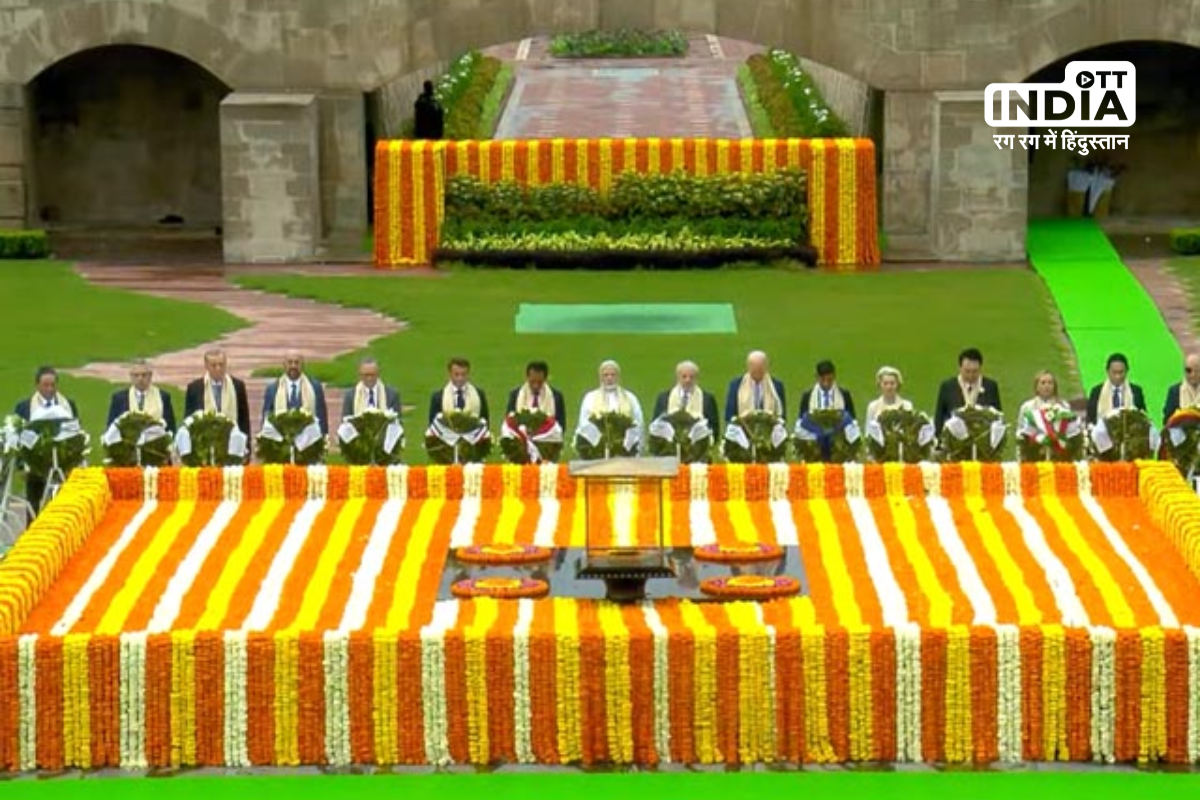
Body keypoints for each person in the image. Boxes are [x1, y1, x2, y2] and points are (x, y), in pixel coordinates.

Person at [14, 367, 80, 515]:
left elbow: (76, 432)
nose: (50, 389)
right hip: (35, 465)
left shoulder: (68, 405)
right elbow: (19, 438)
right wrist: (21, 466)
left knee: (64, 504)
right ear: (37, 385)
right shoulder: (24, 407)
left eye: (53, 385)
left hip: (64, 465)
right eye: (46, 385)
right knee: (34, 504)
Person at [183, 349, 253, 444]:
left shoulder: (238, 386)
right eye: (214, 365)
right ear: (206, 366)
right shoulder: (195, 388)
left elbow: (244, 419)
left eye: (221, 364)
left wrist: (247, 445)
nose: (218, 369)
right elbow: (189, 420)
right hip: (205, 444)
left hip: (232, 443)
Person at [934, 347, 1002, 432]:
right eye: (967, 371)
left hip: (982, 442)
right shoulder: (947, 387)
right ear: (960, 368)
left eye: (975, 371)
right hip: (953, 443)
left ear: (980, 368)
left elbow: (998, 419)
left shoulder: (991, 387)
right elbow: (939, 419)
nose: (971, 375)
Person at [261, 350, 330, 434]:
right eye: (290, 362)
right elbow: (266, 420)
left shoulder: (315, 387)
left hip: (308, 442)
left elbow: (322, 419)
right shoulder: (273, 389)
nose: (293, 366)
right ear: (284, 365)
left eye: (297, 363)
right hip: (281, 442)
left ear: (302, 365)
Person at [652, 360, 721, 436]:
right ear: (678, 377)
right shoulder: (664, 398)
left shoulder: (707, 399)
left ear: (696, 378)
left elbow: (714, 428)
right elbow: (655, 426)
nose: (688, 380)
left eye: (691, 377)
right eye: (684, 376)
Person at [106, 361, 177, 432]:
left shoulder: (163, 397)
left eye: (144, 375)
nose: (140, 379)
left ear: (150, 376)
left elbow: (170, 427)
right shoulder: (119, 398)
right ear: (131, 376)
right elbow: (111, 427)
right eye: (136, 375)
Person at [578, 360, 644, 430]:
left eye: (613, 375)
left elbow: (638, 421)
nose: (609, 378)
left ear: (618, 377)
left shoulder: (630, 398)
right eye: (606, 375)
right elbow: (584, 422)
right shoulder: (590, 398)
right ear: (600, 377)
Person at [724, 350, 787, 421]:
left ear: (766, 366)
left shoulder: (776, 386)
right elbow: (729, 415)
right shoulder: (736, 385)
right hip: (742, 429)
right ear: (748, 367)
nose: (757, 375)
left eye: (760, 370)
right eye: (754, 371)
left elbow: (782, 415)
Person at [506, 360, 567, 430]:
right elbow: (509, 422)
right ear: (527, 377)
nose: (536, 386)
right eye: (532, 381)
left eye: (540, 382)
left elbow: (561, 426)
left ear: (545, 379)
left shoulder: (556, 396)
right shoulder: (515, 395)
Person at [1086, 352, 1146, 422]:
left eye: (1121, 372)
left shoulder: (1136, 391)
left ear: (1127, 371)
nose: (1118, 376)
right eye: (1114, 372)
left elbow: (1143, 417)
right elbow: (1091, 418)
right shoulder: (1097, 391)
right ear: (1107, 371)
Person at [428, 356, 489, 424]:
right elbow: (433, 425)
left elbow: (484, 423)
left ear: (468, 374)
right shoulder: (438, 397)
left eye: (463, 374)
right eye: (456, 374)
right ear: (450, 374)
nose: (460, 378)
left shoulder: (479, 394)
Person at [1163, 353, 1200, 424]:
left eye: (1197, 370)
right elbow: (1167, 421)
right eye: (1189, 371)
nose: (1193, 374)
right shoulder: (1174, 391)